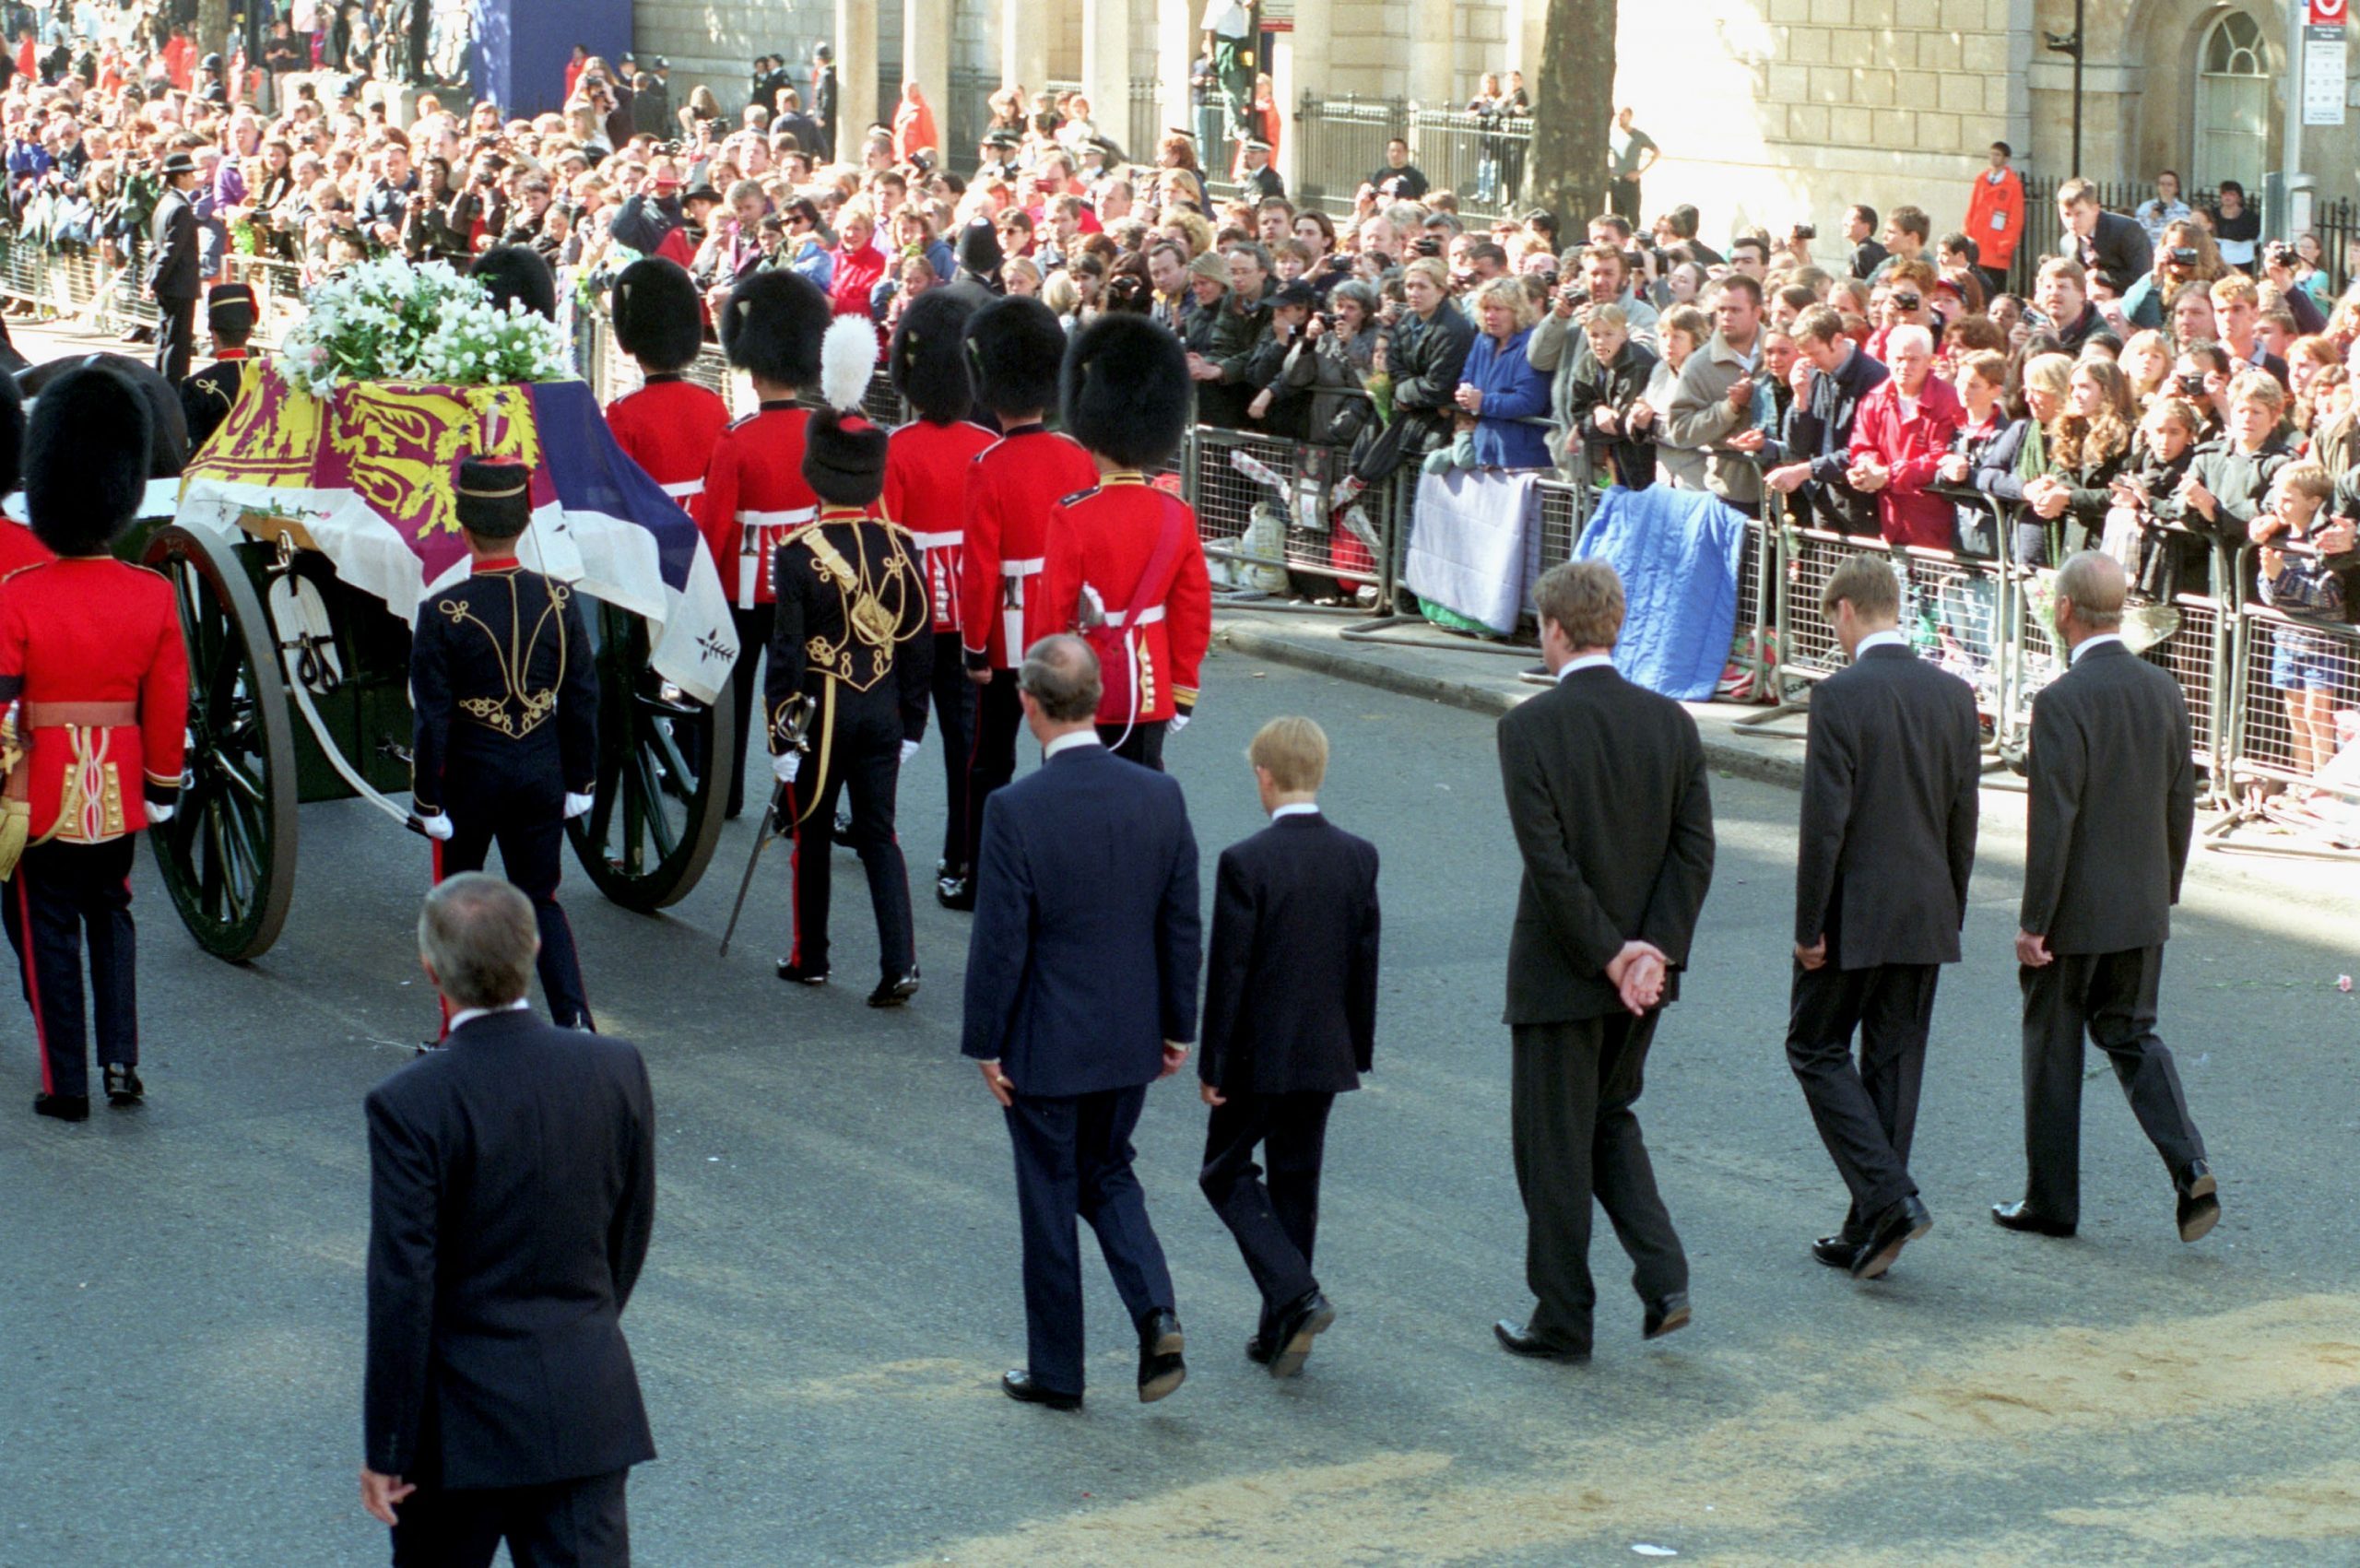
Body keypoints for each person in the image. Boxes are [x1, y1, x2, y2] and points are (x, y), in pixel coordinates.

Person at [361, 874, 656, 1566]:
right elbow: (630, 1227)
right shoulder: (615, 1066)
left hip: (458, 1427)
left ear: (432, 970)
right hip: (585, 1397)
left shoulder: (410, 1102)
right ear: (533, 949)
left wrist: (388, 1448)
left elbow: (403, 1285)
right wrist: (582, 1323)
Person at [962, 634, 1202, 1410]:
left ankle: (1058, 1369)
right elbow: (1179, 922)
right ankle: (1155, 1310)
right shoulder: (1159, 795)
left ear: (1028, 704)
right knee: (1108, 1172)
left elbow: (1001, 938)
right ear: (1098, 698)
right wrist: (1176, 1025)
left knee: (1049, 1192)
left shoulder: (1013, 808)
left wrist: (986, 1041)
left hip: (1044, 1040)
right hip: (1130, 1033)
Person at [1493, 560, 1714, 1362]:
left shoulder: (1527, 728)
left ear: (1555, 628)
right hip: (1645, 982)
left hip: (1563, 973)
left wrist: (1610, 953)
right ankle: (1664, 1276)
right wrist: (1653, 952)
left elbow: (1549, 862)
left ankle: (1563, 1314)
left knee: (1551, 1145)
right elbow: (1694, 853)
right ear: (1615, 622)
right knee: (1609, 1118)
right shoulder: (1672, 723)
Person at [2000, 552, 2217, 1245]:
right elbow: (2180, 801)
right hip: (2142, 901)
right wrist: (2165, 887)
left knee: (2053, 1047)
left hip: (2075, 913)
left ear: (2064, 610)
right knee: (2132, 1034)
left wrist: (2035, 920)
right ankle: (2189, 1164)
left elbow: (2053, 818)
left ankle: (2051, 1200)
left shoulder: (2061, 699)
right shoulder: (2164, 688)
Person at [0, 364, 186, 1122]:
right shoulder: (152, 593)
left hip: (40, 789)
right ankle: (120, 1064)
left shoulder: (18, 594)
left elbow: (5, 707)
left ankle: (65, 1081)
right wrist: (162, 787)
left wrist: (6, 788)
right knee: (111, 914)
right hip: (117, 790)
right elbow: (168, 700)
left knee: (47, 930)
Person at [1788, 554, 1980, 1280]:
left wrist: (1809, 926)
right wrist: (1948, 910)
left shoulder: (1840, 694)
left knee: (1814, 1045)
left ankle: (1889, 1198)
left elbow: (1824, 824)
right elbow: (1965, 818)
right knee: (1894, 1065)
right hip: (1927, 906)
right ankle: (1872, 1220)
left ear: (1844, 610)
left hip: (1854, 910)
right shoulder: (1954, 694)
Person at [1195, 715, 1378, 1378]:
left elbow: (1231, 971)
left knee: (1223, 1170)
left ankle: (1296, 1296)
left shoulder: (1246, 861)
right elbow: (1364, 958)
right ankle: (1280, 1329)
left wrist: (1214, 1064)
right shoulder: (1358, 855)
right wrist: (1355, 1048)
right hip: (1324, 1050)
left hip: (1256, 1056)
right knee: (1297, 1181)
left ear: (1263, 777)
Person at [766, 319, 932, 1003]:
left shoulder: (799, 550)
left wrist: (781, 733)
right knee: (879, 837)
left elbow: (787, 656)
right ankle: (900, 962)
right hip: (886, 705)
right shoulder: (901, 546)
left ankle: (813, 956)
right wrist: (914, 719)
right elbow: (919, 640)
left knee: (811, 836)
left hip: (824, 712)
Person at [409, 458, 598, 1032]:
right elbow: (582, 695)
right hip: (542, 773)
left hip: (470, 783)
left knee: (456, 911)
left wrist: (427, 801)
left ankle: (455, 1030)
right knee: (541, 899)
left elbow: (432, 720)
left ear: (464, 529)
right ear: (524, 523)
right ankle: (575, 1020)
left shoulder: (441, 611)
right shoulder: (562, 600)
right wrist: (579, 781)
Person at [948, 297, 1098, 910]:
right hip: (1063, 631)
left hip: (1008, 639)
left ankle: (981, 878)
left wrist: (975, 647)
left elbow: (980, 568)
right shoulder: (1076, 455)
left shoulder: (988, 465)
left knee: (988, 765)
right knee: (1057, 760)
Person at [695, 268, 833, 819]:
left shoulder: (738, 438)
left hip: (742, 585)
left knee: (727, 696)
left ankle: (721, 794)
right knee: (795, 694)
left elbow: (714, 526)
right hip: (805, 582)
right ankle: (793, 798)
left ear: (751, 369)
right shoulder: (819, 429)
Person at [882, 290, 996, 906]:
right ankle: (961, 853)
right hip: (971, 616)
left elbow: (888, 544)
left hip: (910, 615)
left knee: (891, 732)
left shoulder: (897, 447)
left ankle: (876, 828)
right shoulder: (986, 441)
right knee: (966, 746)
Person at [604, 257, 731, 509]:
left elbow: (618, 493)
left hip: (649, 533)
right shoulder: (712, 403)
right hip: (701, 536)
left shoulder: (622, 411)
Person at [1844, 324, 1963, 548]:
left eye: (1913, 359)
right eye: (1898, 359)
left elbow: (1940, 456)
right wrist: (1867, 468)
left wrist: (1888, 475)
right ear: (1887, 359)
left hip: (1936, 528)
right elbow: (1862, 446)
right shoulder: (1874, 399)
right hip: (1890, 523)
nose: (1904, 366)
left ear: (1929, 361)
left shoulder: (1948, 400)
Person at [177, 280, 259, 453]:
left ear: (213, 334)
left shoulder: (195, 386)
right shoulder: (271, 377)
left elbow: (190, 448)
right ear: (250, 332)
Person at [146, 149, 202, 382]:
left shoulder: (165, 203)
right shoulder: (180, 208)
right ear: (180, 177)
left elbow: (155, 248)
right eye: (190, 174)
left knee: (165, 337)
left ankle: (159, 382)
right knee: (177, 343)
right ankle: (173, 388)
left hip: (167, 284)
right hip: (178, 285)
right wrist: (154, 280)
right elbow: (171, 251)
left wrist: (151, 279)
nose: (194, 178)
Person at [2056, 177, 2154, 298]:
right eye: (2066, 214)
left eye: (2078, 214)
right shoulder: (2066, 243)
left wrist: (2100, 277)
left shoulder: (2126, 230)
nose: (2072, 221)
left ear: (2095, 209)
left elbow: (2143, 278)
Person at [1962, 141, 2024, 298]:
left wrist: (2006, 245)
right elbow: (1972, 210)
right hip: (1978, 242)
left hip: (1996, 246)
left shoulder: (2012, 184)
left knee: (1994, 289)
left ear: (2006, 159)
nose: (1993, 158)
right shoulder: (1981, 179)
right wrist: (1967, 237)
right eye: (1992, 154)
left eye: (1997, 154)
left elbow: (2015, 218)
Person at [1606, 108, 1658, 222]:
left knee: (1633, 218)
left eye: (1623, 115)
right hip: (1615, 182)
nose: (1619, 118)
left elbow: (1657, 152)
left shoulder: (1638, 136)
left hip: (1630, 182)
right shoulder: (1614, 136)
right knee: (1616, 219)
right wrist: (1608, 169)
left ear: (1630, 117)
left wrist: (1640, 172)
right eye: (1618, 116)